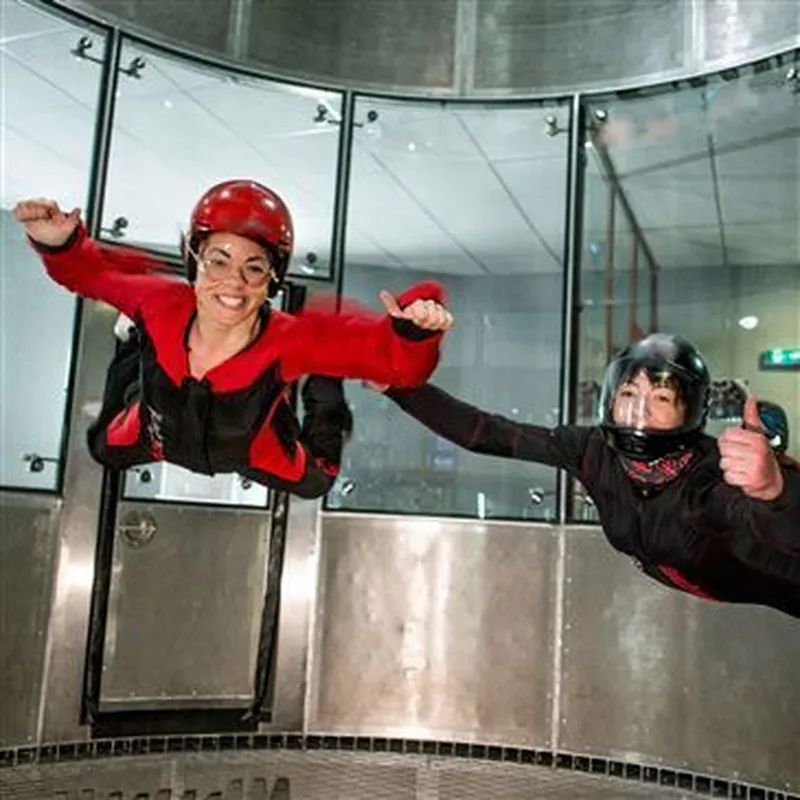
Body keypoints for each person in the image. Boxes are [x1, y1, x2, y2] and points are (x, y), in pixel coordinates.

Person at [13, 180, 453, 498]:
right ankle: (134, 340)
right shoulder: (162, 302)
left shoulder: (289, 339)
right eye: (218, 261)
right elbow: (88, 274)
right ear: (195, 262)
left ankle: (324, 379)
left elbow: (398, 366)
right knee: (102, 448)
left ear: (271, 279)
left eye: (254, 267)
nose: (234, 282)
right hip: (155, 432)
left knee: (317, 480)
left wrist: (416, 328)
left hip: (251, 450)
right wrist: (59, 243)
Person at [374, 333, 800, 618]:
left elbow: (783, 532)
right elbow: (488, 433)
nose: (639, 409)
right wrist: (397, 385)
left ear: (691, 411)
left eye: (663, 397)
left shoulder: (707, 479)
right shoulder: (593, 450)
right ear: (611, 400)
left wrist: (771, 490)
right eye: (630, 393)